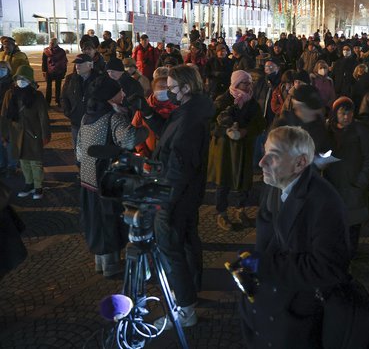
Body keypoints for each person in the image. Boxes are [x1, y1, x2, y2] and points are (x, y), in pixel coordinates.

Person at [238, 126, 351, 348]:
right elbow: (268, 241)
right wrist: (252, 268)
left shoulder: (324, 202)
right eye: (264, 153)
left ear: (300, 163)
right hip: (268, 307)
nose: (261, 162)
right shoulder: (274, 184)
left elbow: (328, 268)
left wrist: (262, 264)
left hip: (296, 319)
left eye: (273, 156)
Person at [128, 65, 214, 329]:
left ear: (186, 89)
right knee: (185, 242)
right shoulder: (190, 110)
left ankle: (184, 308)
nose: (169, 92)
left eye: (172, 87)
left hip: (174, 197)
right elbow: (169, 130)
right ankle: (189, 292)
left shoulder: (190, 120)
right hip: (183, 195)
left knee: (170, 250)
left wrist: (161, 201)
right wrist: (149, 113)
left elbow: (179, 167)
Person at [77, 75, 147, 277]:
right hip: (107, 179)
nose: (123, 94)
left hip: (88, 179)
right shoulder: (113, 117)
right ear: (110, 96)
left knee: (95, 221)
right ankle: (111, 266)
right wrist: (144, 129)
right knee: (109, 222)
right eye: (119, 91)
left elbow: (79, 150)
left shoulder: (86, 116)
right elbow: (129, 139)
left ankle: (100, 262)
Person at [208, 70, 266, 231]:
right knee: (223, 181)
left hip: (244, 148)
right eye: (244, 83)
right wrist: (224, 131)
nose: (248, 86)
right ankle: (222, 213)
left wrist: (245, 131)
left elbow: (260, 123)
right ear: (235, 84)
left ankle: (240, 210)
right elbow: (209, 124)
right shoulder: (223, 101)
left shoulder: (252, 102)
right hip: (224, 150)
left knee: (244, 181)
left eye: (249, 83)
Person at [325, 97, 369, 258]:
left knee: (352, 225)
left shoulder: (361, 131)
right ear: (336, 114)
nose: (346, 117)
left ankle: (350, 255)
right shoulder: (328, 130)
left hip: (353, 185)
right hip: (332, 184)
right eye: (342, 113)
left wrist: (361, 182)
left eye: (349, 113)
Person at [0, 66, 51, 200]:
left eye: (23, 78)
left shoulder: (37, 96)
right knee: (23, 161)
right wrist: (3, 135)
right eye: (18, 78)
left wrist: (46, 135)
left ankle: (38, 186)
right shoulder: (10, 94)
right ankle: (29, 183)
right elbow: (4, 116)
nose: (20, 81)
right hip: (16, 134)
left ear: (30, 80)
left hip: (33, 133)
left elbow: (43, 117)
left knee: (35, 162)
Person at [131, 75, 178, 158]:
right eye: (160, 87)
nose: (163, 90)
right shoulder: (144, 107)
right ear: (153, 89)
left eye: (166, 87)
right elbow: (135, 131)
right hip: (149, 157)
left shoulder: (177, 108)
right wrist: (142, 151)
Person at [61, 54, 99, 152]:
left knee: (92, 152)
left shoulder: (99, 79)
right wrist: (68, 112)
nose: (77, 66)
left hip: (93, 123)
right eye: (76, 63)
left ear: (90, 65)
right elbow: (64, 97)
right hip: (76, 122)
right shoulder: (70, 79)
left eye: (80, 64)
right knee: (78, 152)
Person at [41, 37, 68, 107]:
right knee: (49, 87)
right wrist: (44, 70)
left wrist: (64, 71)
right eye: (50, 42)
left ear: (56, 43)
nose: (51, 44)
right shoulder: (46, 51)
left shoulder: (61, 51)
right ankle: (49, 101)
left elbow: (64, 62)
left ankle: (57, 100)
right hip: (51, 71)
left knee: (57, 86)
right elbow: (44, 62)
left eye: (53, 43)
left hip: (58, 71)